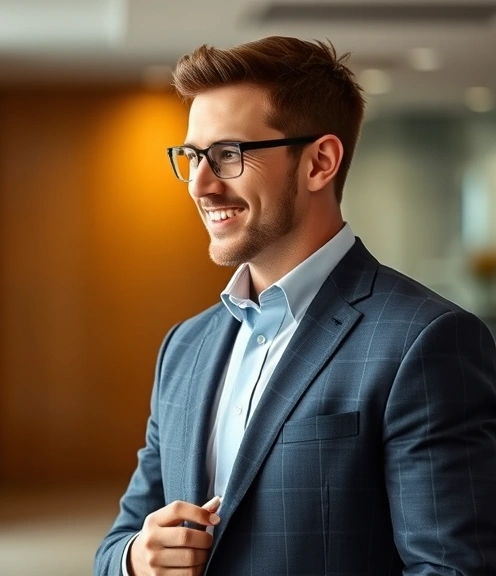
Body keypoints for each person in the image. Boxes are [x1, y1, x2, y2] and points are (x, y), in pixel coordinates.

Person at [95, 36, 496, 576]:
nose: (199, 184)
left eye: (228, 155)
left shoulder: (425, 340)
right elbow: (120, 538)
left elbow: (452, 569)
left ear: (319, 163)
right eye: (191, 156)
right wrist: (135, 559)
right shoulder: (185, 347)